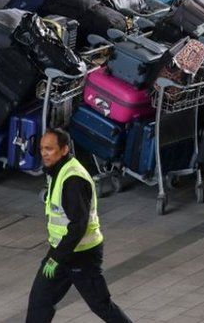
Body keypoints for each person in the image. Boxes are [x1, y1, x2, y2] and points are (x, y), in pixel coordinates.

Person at [26, 129, 132, 323]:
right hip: (63, 252)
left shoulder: (72, 180)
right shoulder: (58, 171)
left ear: (64, 149)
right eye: (42, 149)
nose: (44, 153)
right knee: (39, 301)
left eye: (49, 149)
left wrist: (56, 258)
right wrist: (56, 256)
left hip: (83, 255)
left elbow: (78, 225)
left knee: (101, 305)